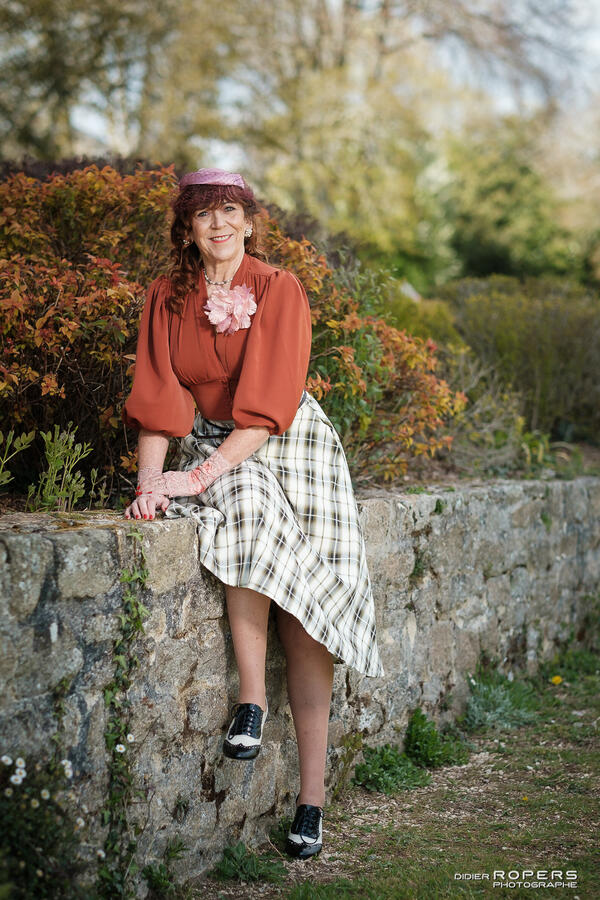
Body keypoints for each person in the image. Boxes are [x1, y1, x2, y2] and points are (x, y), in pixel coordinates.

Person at [121, 167, 384, 859]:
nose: (219, 224)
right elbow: (157, 402)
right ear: (186, 227)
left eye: (231, 210)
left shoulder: (278, 289)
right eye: (204, 213)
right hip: (218, 443)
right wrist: (152, 482)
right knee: (247, 518)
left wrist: (197, 475)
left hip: (287, 440)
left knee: (309, 612)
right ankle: (250, 702)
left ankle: (311, 801)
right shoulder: (165, 296)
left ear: (249, 220)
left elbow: (267, 409)